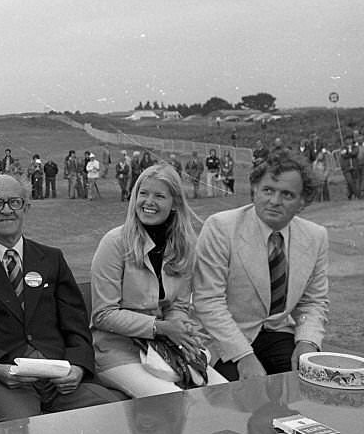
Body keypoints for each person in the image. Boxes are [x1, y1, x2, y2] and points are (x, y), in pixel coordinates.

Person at [0, 175, 119, 422]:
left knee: (114, 414)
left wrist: (78, 367)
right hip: (7, 381)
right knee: (22, 431)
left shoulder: (52, 259)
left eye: (14, 202)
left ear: (26, 207)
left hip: (60, 378)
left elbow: (77, 326)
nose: (7, 210)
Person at [90, 164, 227, 397]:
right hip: (118, 350)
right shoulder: (114, 243)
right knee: (172, 398)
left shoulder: (184, 247)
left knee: (223, 392)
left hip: (164, 347)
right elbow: (103, 314)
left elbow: (179, 306)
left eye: (159, 196)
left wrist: (180, 329)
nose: (148, 202)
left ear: (174, 203)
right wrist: (161, 328)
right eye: (143, 193)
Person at [192, 151, 329, 381]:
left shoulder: (316, 236)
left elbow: (313, 302)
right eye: (268, 190)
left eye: (287, 194)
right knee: (242, 394)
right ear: (254, 190)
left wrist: (308, 341)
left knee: (305, 383)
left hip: (277, 332)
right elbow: (208, 301)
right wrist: (243, 356)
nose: (274, 201)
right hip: (223, 338)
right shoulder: (220, 228)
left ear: (303, 201)